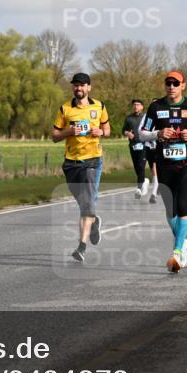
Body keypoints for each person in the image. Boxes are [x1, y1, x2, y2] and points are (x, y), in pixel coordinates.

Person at [139, 70, 187, 273]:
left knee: (182, 205)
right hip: (164, 163)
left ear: (183, 85)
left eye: (175, 83)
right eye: (168, 82)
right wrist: (158, 133)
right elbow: (141, 134)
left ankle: (177, 251)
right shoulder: (155, 107)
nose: (171, 86)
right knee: (170, 209)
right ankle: (183, 243)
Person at [52, 72, 109, 263]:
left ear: (89, 87)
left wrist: (100, 131)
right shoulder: (65, 109)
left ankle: (81, 247)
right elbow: (54, 135)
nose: (79, 88)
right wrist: (68, 131)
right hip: (71, 162)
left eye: (82, 85)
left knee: (88, 202)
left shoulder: (99, 106)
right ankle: (94, 221)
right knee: (83, 202)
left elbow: (107, 130)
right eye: (76, 85)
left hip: (93, 159)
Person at [122, 99, 151, 198]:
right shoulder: (129, 118)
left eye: (138, 105)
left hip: (144, 144)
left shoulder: (146, 117)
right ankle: (144, 181)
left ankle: (138, 188)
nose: (136, 106)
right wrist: (127, 133)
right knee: (136, 166)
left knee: (141, 165)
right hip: (133, 145)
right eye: (134, 105)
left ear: (142, 107)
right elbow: (124, 130)